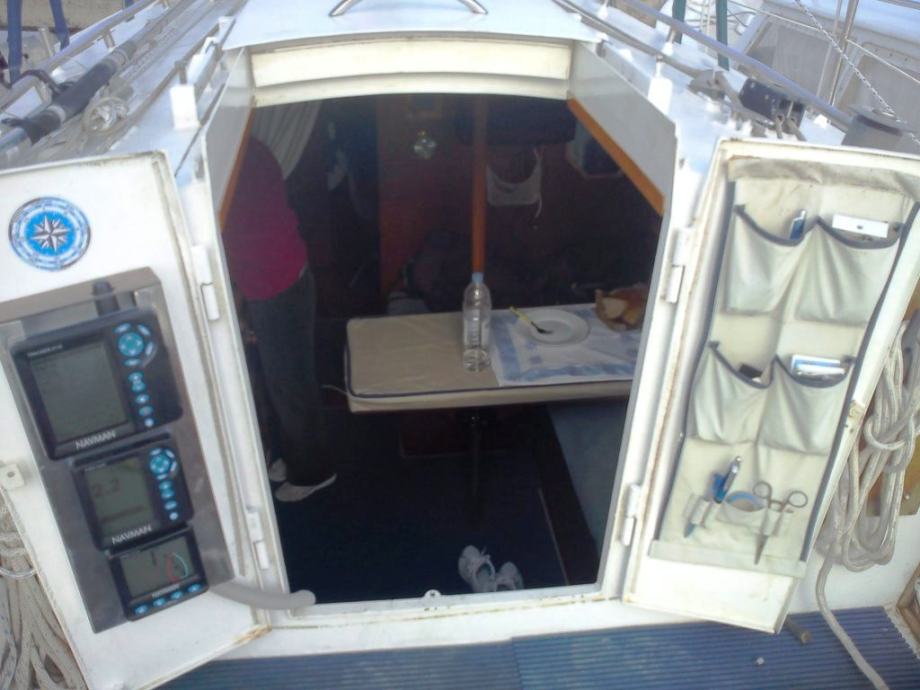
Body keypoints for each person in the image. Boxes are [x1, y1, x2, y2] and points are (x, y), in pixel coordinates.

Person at [222, 136, 336, 502]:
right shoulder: (246, 149)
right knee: (284, 382)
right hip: (278, 277)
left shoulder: (232, 162)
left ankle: (314, 472)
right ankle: (294, 455)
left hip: (276, 283)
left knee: (291, 386)